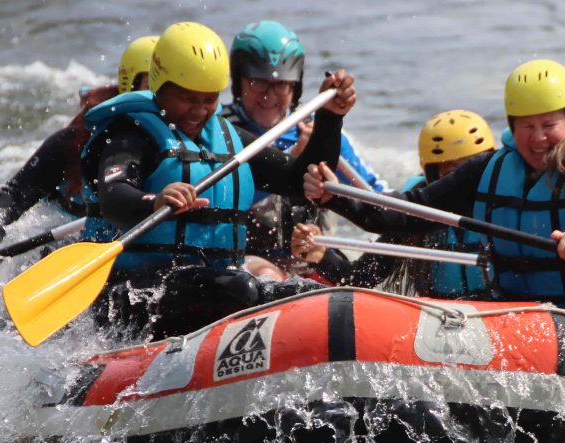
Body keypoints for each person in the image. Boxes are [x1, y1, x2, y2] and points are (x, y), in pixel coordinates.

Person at [303, 59, 565, 370]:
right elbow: (402, 213)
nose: (538, 138)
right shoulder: (489, 172)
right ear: (511, 127)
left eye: (549, 125)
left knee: (550, 336)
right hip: (531, 323)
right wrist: (335, 197)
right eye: (527, 126)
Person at [82, 22, 355, 339]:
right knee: (240, 289)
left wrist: (330, 118)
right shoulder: (129, 134)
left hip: (213, 285)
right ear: (160, 85)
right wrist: (155, 201)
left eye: (209, 99)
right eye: (187, 98)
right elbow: (113, 197)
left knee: (312, 295)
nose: (199, 111)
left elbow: (301, 180)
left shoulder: (227, 137)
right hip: (135, 293)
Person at [0, 36, 159, 274]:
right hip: (63, 241)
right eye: (152, 84)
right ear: (130, 85)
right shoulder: (75, 141)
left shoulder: (185, 140)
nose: (160, 98)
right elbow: (14, 195)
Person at [221, 20, 386, 278]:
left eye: (280, 85)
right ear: (239, 81)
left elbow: (376, 197)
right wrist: (293, 164)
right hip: (247, 261)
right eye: (258, 83)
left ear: (294, 86)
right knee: (267, 275)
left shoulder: (320, 133)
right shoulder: (220, 131)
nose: (269, 96)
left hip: (314, 258)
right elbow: (218, 199)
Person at [291, 109, 497, 296]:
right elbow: (361, 278)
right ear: (432, 177)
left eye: (472, 173)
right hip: (442, 314)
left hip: (499, 309)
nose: (462, 185)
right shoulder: (415, 213)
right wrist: (322, 256)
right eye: (451, 174)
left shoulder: (504, 202)